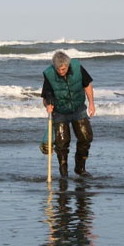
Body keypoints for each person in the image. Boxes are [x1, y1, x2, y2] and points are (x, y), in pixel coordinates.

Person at [41, 51, 95, 179]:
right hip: (60, 111)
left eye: (63, 69)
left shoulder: (77, 67)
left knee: (86, 137)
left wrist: (92, 103)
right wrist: (47, 105)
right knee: (61, 143)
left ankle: (80, 168)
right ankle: (63, 172)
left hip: (78, 108)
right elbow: (45, 96)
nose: (61, 71)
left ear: (68, 65)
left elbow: (87, 85)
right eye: (58, 69)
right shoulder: (49, 74)